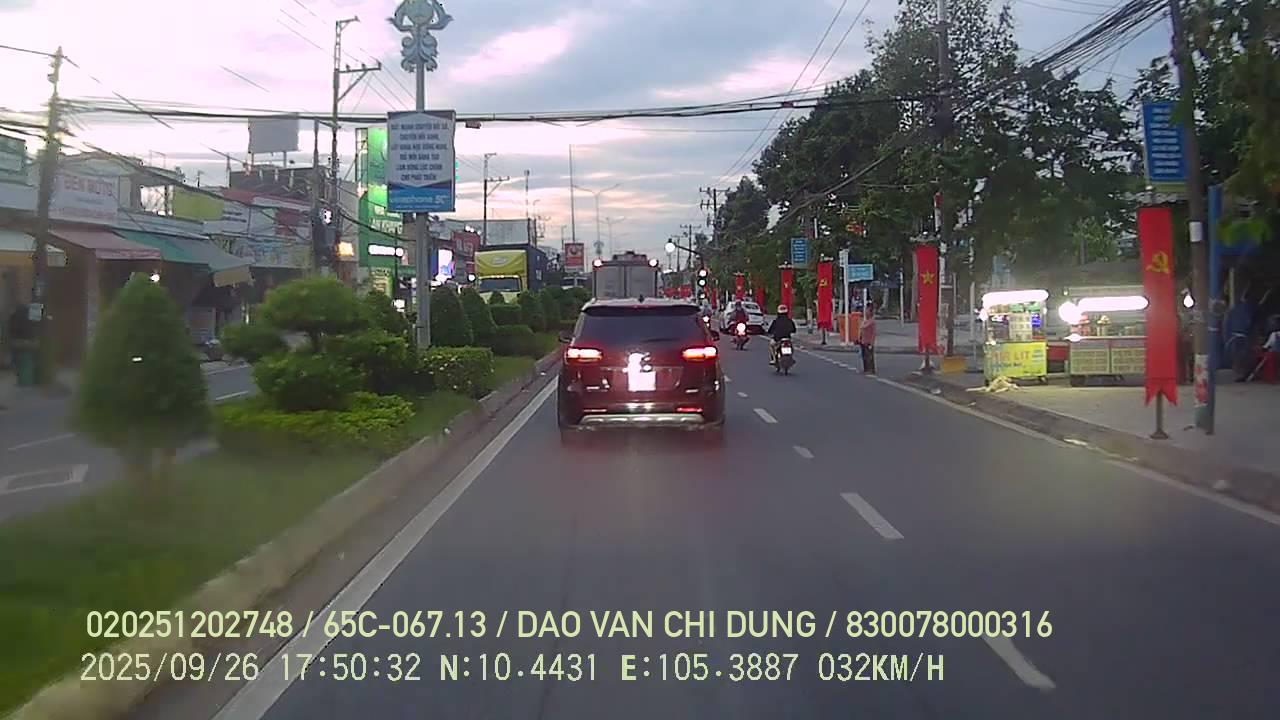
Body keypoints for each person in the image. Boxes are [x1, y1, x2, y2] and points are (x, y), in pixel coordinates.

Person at [859, 302, 877, 374]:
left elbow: (874, 333)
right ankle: (866, 368)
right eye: (866, 311)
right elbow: (861, 330)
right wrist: (859, 338)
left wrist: (871, 343)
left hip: (868, 342)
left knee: (869, 356)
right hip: (863, 341)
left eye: (867, 312)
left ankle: (871, 369)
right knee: (864, 356)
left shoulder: (872, 322)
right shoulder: (865, 321)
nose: (866, 313)